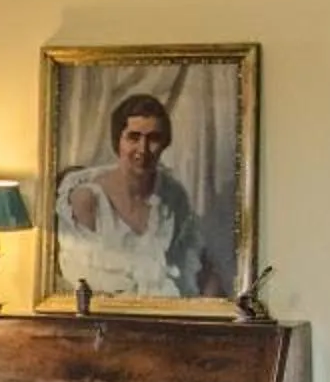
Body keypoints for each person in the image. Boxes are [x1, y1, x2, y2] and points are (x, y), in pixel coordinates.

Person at [57, 90, 217, 298]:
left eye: (153, 138)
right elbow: (80, 278)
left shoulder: (173, 195)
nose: (143, 149)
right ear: (118, 142)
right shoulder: (87, 201)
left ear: (164, 143)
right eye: (133, 137)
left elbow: (194, 265)